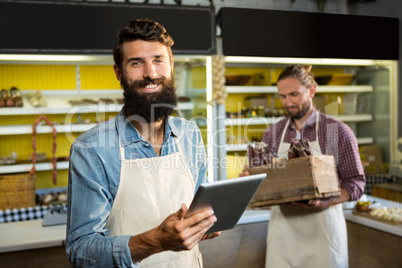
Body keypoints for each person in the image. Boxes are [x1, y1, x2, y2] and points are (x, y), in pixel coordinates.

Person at [66, 18, 220, 267]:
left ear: (171, 65)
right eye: (137, 63)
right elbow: (81, 251)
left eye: (158, 60)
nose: (151, 73)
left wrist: (203, 224)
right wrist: (155, 241)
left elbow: (196, 211)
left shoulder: (190, 134)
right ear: (119, 73)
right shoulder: (92, 150)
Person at [240, 65, 365, 268]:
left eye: (294, 95)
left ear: (312, 90)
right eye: (282, 96)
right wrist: (251, 179)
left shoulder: (338, 131)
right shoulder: (273, 133)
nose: (288, 102)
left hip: (325, 235)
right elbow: (266, 183)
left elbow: (356, 183)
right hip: (283, 237)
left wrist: (324, 201)